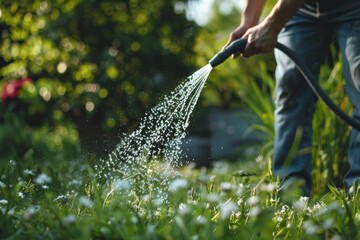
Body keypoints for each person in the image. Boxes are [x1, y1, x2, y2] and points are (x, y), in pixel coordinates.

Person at [224, 0, 360, 195]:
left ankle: (358, 193)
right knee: (291, 89)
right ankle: (290, 195)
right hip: (301, 10)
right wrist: (248, 21)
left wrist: (272, 25)